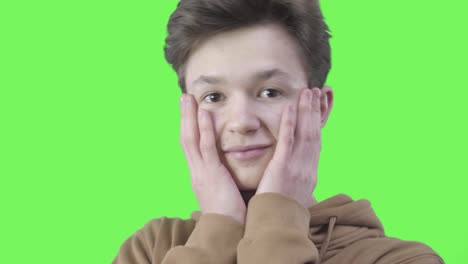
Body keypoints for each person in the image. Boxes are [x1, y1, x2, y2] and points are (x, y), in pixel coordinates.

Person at [113, 0, 444, 263]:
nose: (242, 121)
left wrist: (276, 219)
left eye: (269, 92)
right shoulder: (152, 249)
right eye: (214, 97)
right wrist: (220, 227)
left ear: (320, 108)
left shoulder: (399, 260)